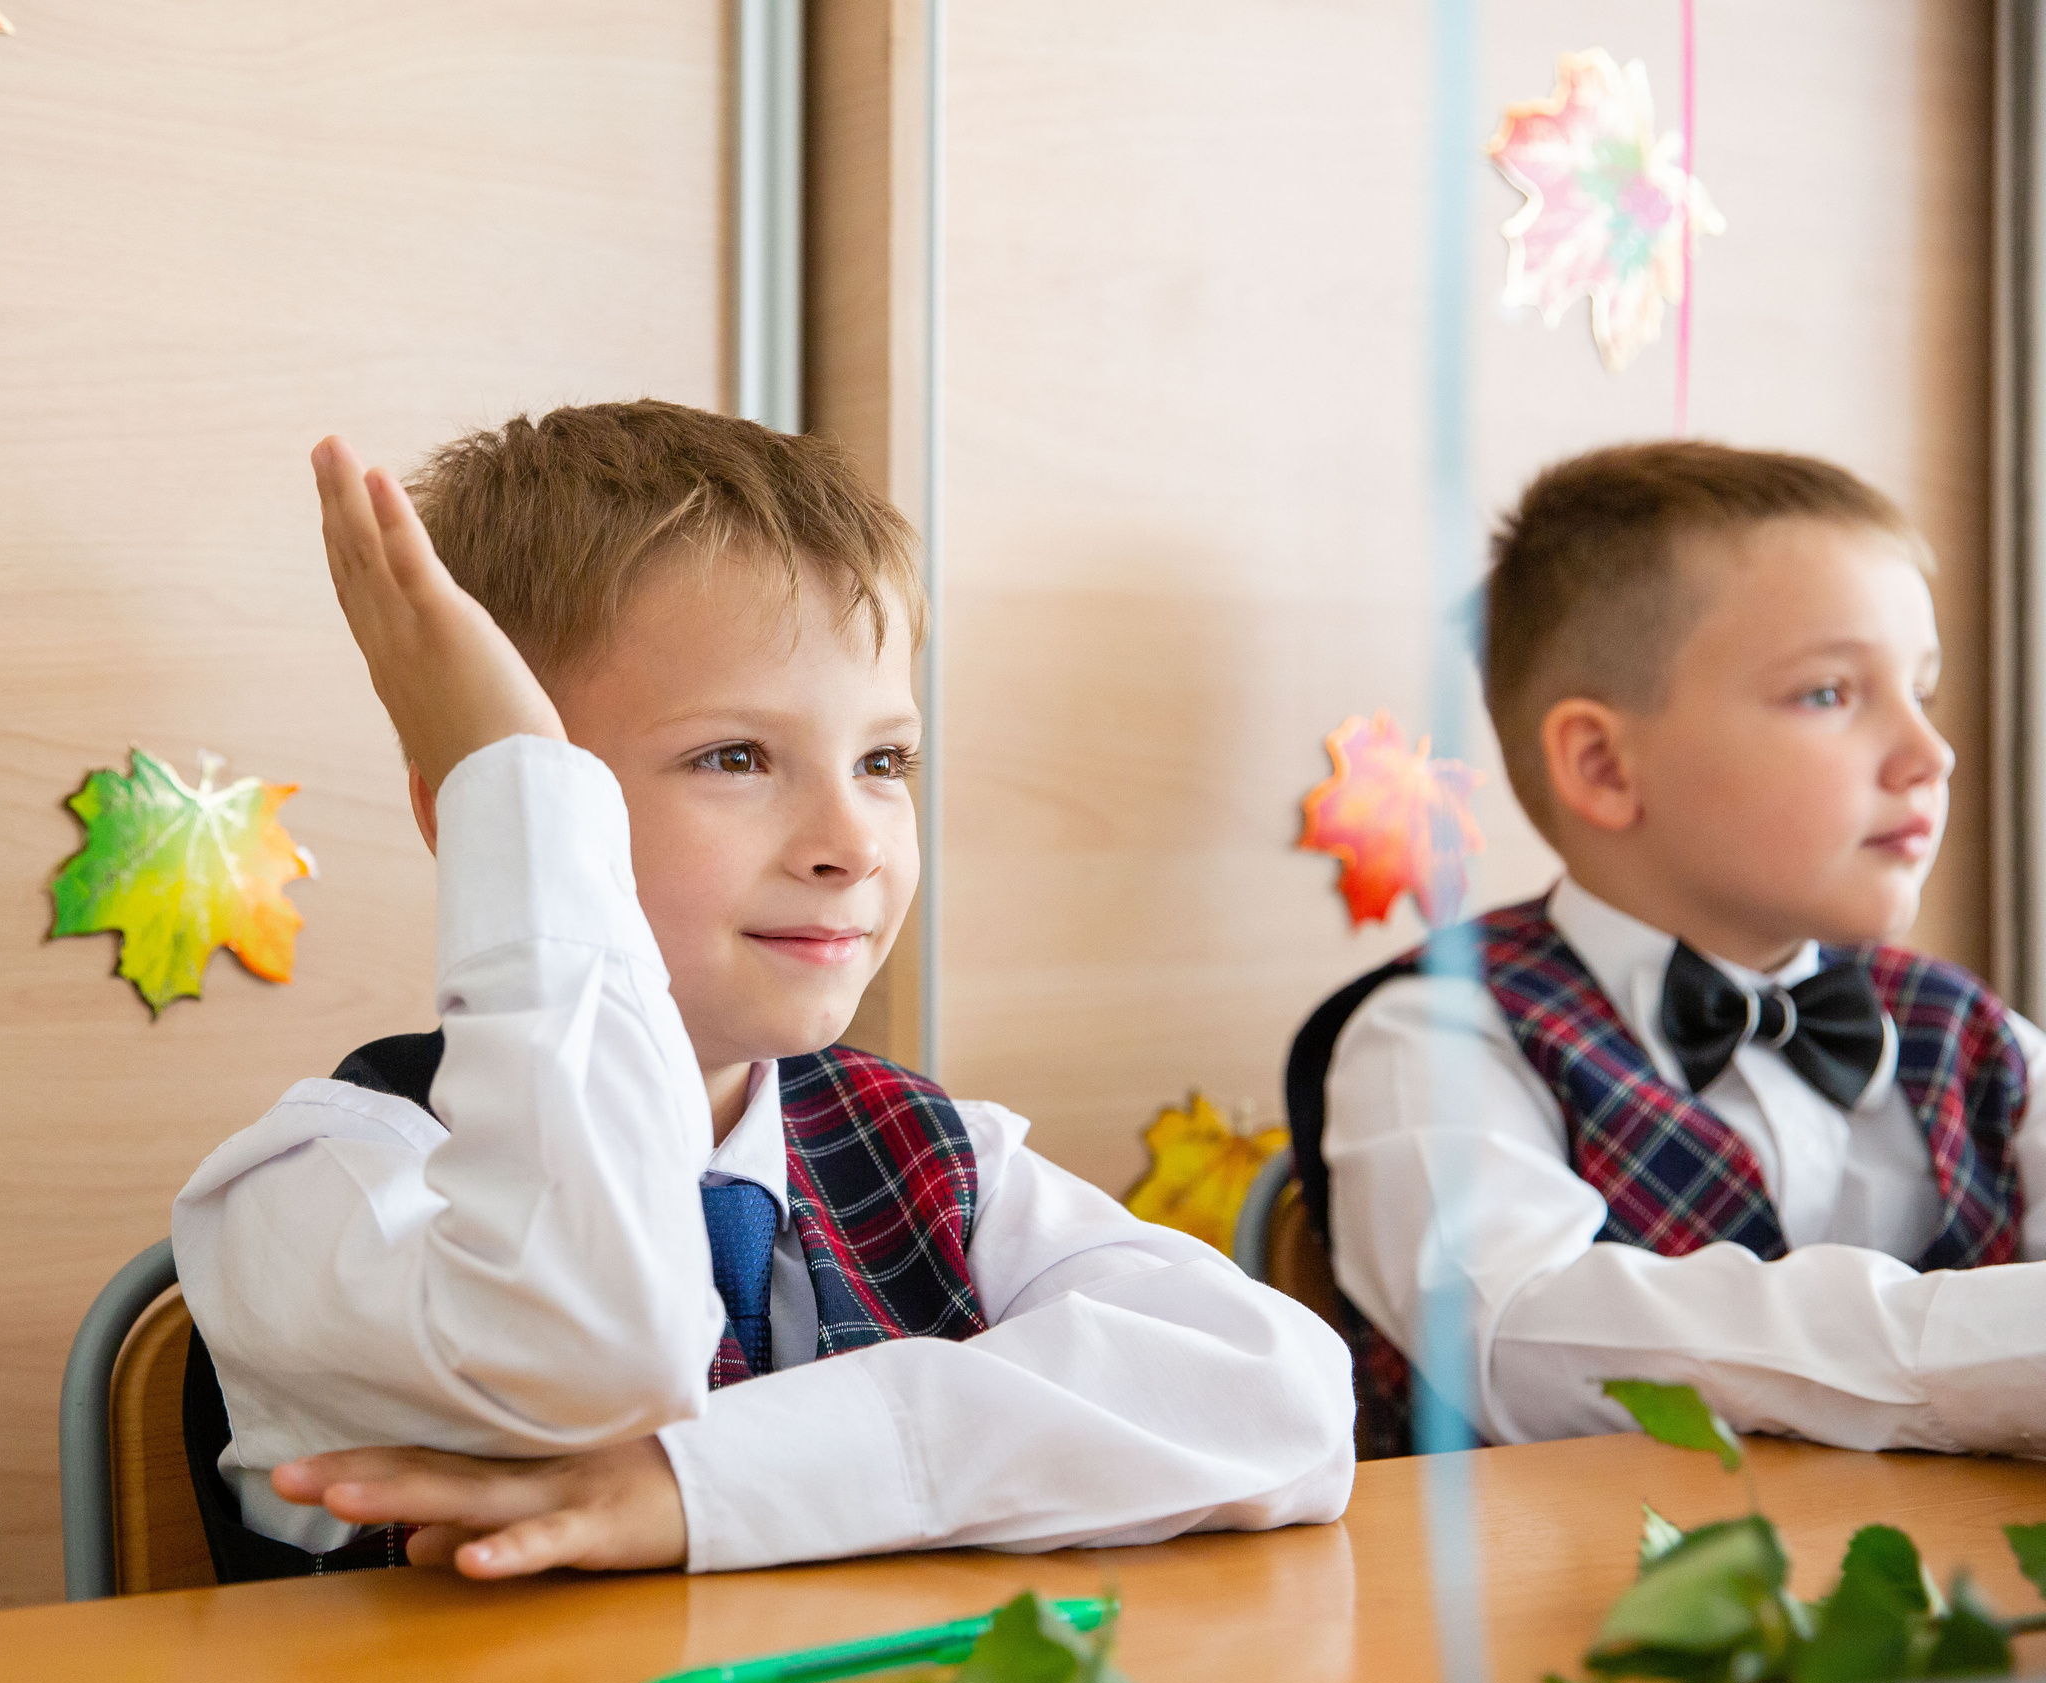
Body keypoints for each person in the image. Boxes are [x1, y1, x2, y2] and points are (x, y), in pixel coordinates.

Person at [173, 401, 1354, 1580]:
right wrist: (512, 794)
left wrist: (702, 1489)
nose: (851, 843)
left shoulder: (932, 1152)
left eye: (883, 761)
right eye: (733, 758)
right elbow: (598, 1350)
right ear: (486, 808)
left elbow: (1281, 1396)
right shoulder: (313, 1191)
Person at [1288, 441, 2043, 1461]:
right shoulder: (1439, 1032)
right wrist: (1973, 1353)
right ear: (1602, 765)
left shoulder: (1974, 1035)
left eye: (1923, 691)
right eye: (1828, 693)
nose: (1929, 755)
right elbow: (1517, 1340)